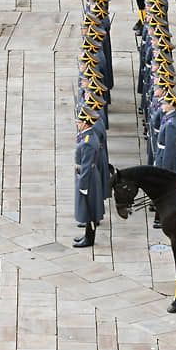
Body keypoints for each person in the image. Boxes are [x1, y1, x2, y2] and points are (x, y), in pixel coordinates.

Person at [73, 106, 103, 248]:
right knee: (86, 208)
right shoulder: (87, 136)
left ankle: (89, 239)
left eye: (79, 122)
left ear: (85, 123)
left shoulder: (88, 142)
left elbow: (86, 166)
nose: (77, 123)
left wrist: (83, 185)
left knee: (90, 209)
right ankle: (87, 235)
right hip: (87, 176)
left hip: (88, 179)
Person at [155, 89, 176, 175]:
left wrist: (165, 169)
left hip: (165, 157)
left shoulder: (171, 124)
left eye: (164, 104)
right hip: (161, 154)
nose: (162, 105)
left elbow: (169, 148)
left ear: (170, 105)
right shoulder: (168, 117)